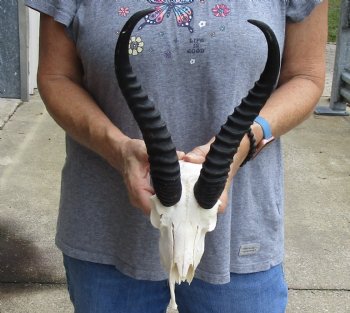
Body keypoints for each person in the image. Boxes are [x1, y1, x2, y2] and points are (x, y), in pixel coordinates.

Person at [25, 1, 327, 312]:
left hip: (237, 234)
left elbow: (305, 75)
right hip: (109, 230)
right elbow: (57, 76)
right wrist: (116, 149)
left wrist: (247, 138)